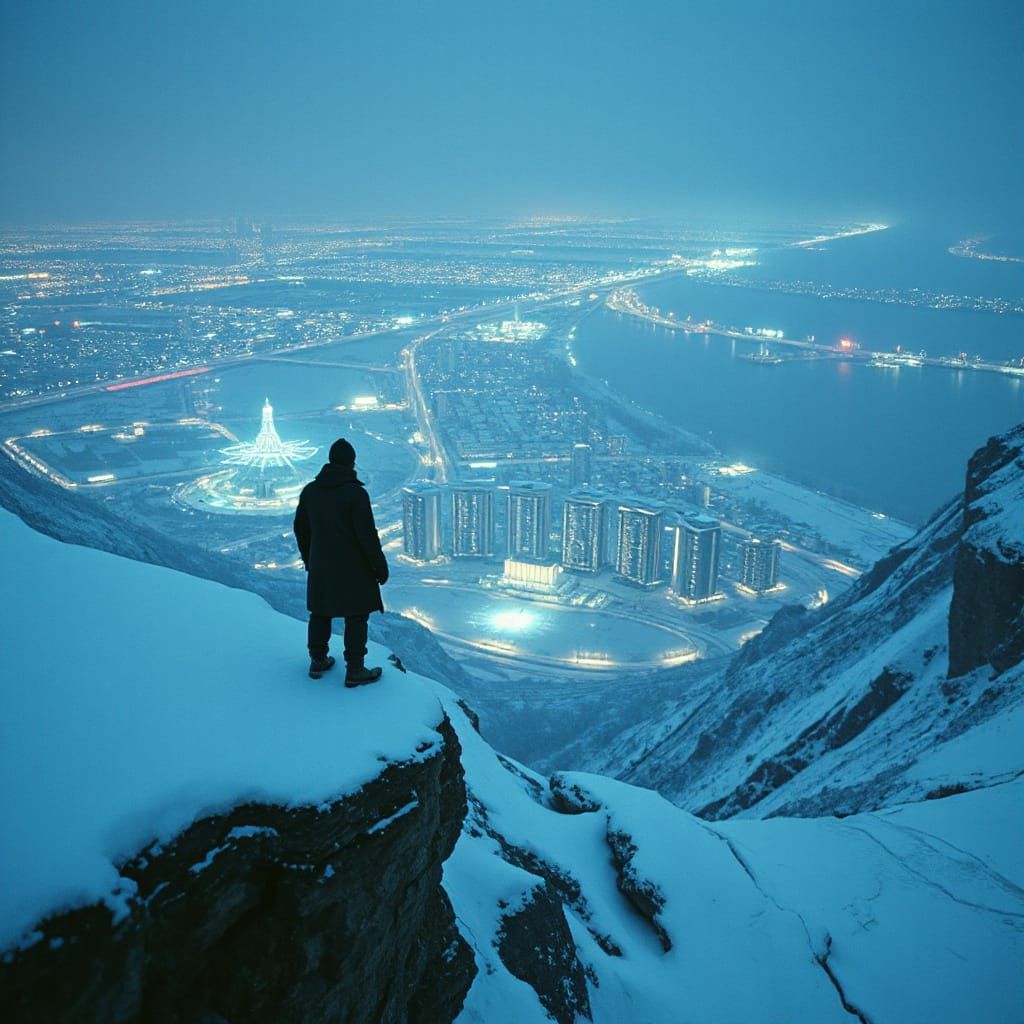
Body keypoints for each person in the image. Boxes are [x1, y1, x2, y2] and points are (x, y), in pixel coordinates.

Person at [293, 437, 389, 685]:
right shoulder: (355, 494)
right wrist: (379, 566)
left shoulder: (311, 491)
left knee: (320, 612)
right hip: (353, 567)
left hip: (321, 565)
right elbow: (367, 535)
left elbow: (300, 529)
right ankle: (355, 669)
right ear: (352, 463)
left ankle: (318, 660)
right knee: (356, 616)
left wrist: (309, 558)